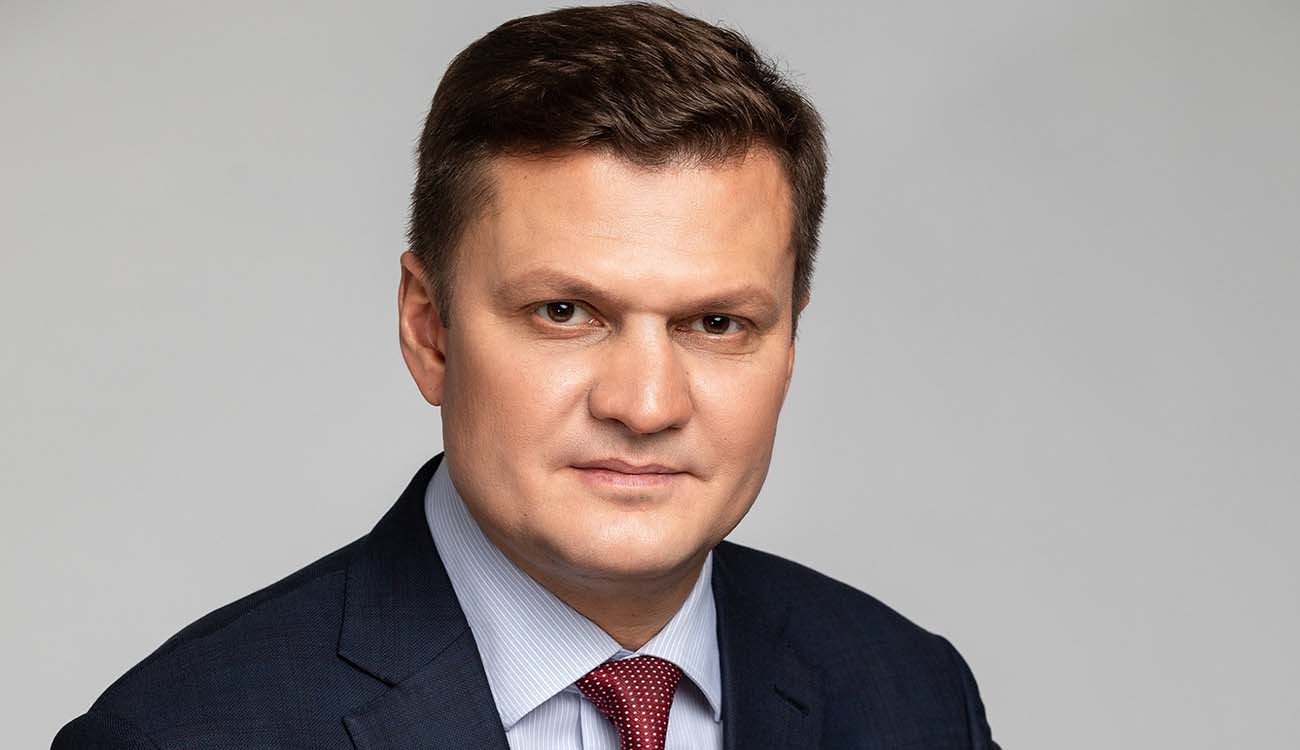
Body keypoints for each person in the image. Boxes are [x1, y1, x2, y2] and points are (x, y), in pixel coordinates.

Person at [54, 3, 998, 748]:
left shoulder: (914, 699)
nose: (646, 405)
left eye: (717, 323)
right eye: (564, 312)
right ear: (429, 331)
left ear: (789, 345)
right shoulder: (182, 733)